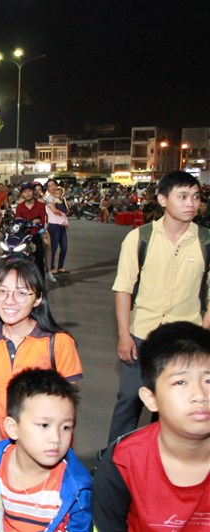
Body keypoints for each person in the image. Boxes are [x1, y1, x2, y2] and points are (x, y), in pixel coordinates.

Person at [106, 171, 209, 445]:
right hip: (142, 334)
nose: (191, 203)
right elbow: (123, 288)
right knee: (129, 400)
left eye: (195, 197)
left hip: (183, 340)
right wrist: (124, 335)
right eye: (183, 197)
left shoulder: (206, 241)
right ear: (163, 199)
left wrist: (201, 337)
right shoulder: (140, 238)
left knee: (172, 405)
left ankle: (160, 458)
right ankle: (115, 458)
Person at [93, 321, 210, 531]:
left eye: (209, 381)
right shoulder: (122, 463)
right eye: (180, 382)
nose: (200, 395)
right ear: (150, 399)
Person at [0, 368, 92, 532]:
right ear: (12, 428)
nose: (56, 438)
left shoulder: (77, 487)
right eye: (44, 425)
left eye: (66, 427)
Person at [0, 260, 83, 444]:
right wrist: (3, 451)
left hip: (48, 446)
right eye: (2, 291)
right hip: (1, 442)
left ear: (37, 298)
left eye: (21, 293)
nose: (9, 300)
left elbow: (67, 410)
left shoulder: (59, 343)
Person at [14, 182, 48, 277]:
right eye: (25, 192)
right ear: (22, 194)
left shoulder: (41, 205)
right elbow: (18, 221)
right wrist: (33, 221)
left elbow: (42, 222)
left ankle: (41, 279)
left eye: (29, 191)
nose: (27, 193)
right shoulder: (20, 207)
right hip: (23, 236)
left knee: (39, 257)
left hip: (36, 234)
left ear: (33, 192)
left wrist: (35, 223)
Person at [45, 180, 70, 274]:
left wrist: (64, 212)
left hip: (61, 225)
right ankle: (51, 267)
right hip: (53, 225)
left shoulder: (60, 197)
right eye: (49, 186)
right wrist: (62, 212)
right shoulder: (49, 198)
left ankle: (60, 266)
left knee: (64, 247)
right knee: (53, 248)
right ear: (47, 188)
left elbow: (66, 210)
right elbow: (55, 211)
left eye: (53, 185)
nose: (52, 187)